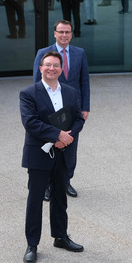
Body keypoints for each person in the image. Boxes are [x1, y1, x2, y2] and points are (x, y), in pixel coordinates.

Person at [20, 51, 85, 263]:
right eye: (47, 65)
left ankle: (60, 237)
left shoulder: (70, 92)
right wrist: (57, 135)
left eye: (56, 65)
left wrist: (68, 138)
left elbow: (78, 118)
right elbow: (31, 122)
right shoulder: (29, 93)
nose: (51, 68)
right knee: (35, 199)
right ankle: (32, 244)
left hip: (63, 152)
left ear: (61, 69)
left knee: (60, 196)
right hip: (39, 154)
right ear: (40, 68)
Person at [33, 20, 91, 199]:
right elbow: (36, 83)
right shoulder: (43, 53)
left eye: (67, 32)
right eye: (61, 32)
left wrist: (85, 107)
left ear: (71, 34)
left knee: (70, 146)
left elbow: (84, 82)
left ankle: (65, 181)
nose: (64, 35)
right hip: (49, 108)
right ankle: (46, 184)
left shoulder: (79, 53)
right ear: (55, 33)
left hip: (73, 108)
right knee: (49, 145)